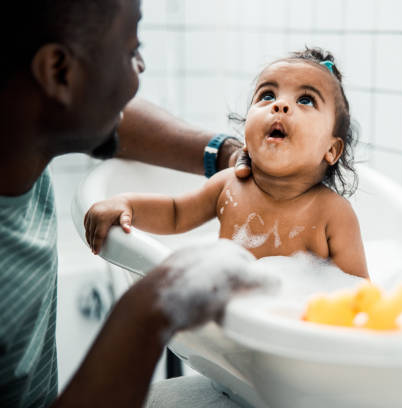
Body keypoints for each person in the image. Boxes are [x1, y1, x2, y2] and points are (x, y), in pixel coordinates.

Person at [0, 1, 263, 407]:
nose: (139, 69)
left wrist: (225, 153)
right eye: (130, 51)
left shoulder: (18, 143)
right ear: (58, 72)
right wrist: (152, 307)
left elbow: (111, 119)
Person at [84, 48, 369, 279]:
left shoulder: (332, 214)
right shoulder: (230, 185)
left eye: (306, 100)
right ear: (246, 137)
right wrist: (127, 206)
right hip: (224, 321)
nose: (279, 105)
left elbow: (356, 293)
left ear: (331, 150)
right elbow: (174, 213)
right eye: (267, 95)